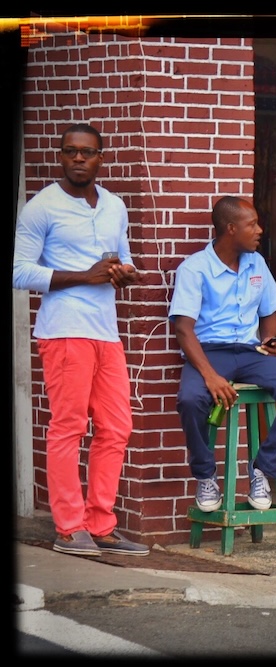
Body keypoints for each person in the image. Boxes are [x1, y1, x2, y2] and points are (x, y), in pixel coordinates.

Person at [12, 123, 150, 557]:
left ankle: (100, 523)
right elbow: (18, 271)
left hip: (106, 331)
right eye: (70, 151)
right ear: (60, 156)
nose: (78, 159)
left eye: (86, 152)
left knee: (116, 428)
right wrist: (81, 276)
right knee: (69, 427)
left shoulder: (114, 206)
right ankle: (69, 528)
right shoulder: (42, 207)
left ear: (99, 158)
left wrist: (123, 273)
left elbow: (122, 256)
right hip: (65, 330)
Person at [169, 196, 276, 514]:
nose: (259, 230)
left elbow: (270, 309)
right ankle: (206, 477)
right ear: (231, 229)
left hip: (250, 353)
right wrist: (210, 375)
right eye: (252, 225)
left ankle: (263, 471)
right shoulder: (194, 269)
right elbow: (183, 329)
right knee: (191, 399)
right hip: (209, 352)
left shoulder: (256, 263)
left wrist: (267, 338)